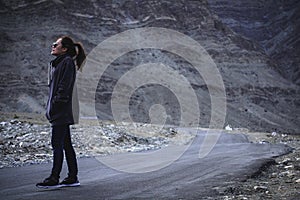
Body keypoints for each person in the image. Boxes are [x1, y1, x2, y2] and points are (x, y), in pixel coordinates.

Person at [36, 36, 86, 189]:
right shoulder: (60, 63)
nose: (52, 47)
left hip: (61, 111)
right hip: (61, 111)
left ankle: (54, 178)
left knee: (56, 143)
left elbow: (64, 87)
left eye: (55, 44)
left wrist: (56, 106)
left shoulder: (66, 63)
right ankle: (72, 177)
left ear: (64, 49)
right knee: (66, 144)